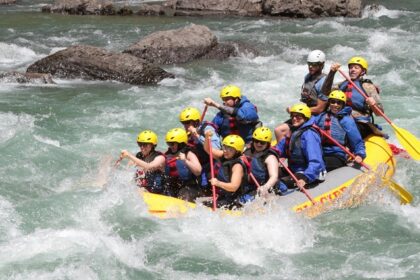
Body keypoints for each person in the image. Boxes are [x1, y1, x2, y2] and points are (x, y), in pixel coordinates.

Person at [322, 56, 386, 139]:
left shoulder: (368, 87)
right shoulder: (342, 85)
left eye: (356, 68)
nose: (352, 70)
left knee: (348, 132)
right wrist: (332, 73)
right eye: (351, 67)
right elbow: (325, 92)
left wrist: (373, 105)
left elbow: (379, 113)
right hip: (341, 118)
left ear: (363, 71)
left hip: (360, 122)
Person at [274, 50, 329, 141]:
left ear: (321, 65)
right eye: (309, 64)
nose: (310, 67)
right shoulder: (308, 77)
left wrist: (298, 112)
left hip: (317, 116)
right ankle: (284, 151)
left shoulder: (324, 82)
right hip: (307, 112)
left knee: (280, 130)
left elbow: (320, 109)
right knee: (278, 130)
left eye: (314, 65)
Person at [274, 103, 327, 193]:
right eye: (293, 116)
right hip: (295, 169)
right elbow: (279, 149)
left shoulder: (309, 135)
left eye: (298, 116)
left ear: (305, 117)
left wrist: (305, 178)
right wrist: (268, 154)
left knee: (279, 183)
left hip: (309, 172)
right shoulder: (294, 131)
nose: (294, 119)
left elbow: (315, 161)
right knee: (269, 174)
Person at [315, 90, 366, 171]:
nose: (335, 105)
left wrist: (360, 154)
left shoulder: (346, 120)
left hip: (337, 155)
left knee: (320, 164)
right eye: (333, 102)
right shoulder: (321, 116)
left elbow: (357, 141)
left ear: (343, 105)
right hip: (320, 152)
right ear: (329, 102)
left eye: (339, 103)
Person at [179, 107, 222, 194]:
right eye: (183, 123)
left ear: (195, 122)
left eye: (187, 123)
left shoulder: (208, 129)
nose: (185, 126)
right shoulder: (188, 134)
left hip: (213, 165)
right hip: (200, 167)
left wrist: (197, 135)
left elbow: (215, 148)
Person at [208, 135, 256, 209]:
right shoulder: (226, 156)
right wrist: (206, 137)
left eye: (230, 148)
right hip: (227, 196)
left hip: (237, 199)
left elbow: (234, 187)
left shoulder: (237, 166)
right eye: (224, 147)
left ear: (237, 151)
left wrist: (217, 183)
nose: (225, 150)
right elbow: (209, 150)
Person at [119, 130, 166, 194]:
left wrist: (129, 155)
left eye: (145, 145)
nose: (142, 147)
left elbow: (149, 166)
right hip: (143, 189)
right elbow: (127, 171)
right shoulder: (139, 156)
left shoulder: (160, 158)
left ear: (152, 145)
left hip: (159, 192)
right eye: (140, 144)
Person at [164, 128, 203, 201]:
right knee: (166, 193)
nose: (170, 146)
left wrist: (185, 160)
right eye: (169, 143)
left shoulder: (189, 154)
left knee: (184, 195)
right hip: (173, 186)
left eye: (172, 144)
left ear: (180, 143)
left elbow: (198, 171)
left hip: (189, 187)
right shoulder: (167, 154)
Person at [243, 127, 282, 195]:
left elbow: (274, 177)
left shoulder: (270, 157)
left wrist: (265, 187)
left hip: (262, 186)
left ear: (267, 143)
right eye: (256, 140)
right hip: (248, 185)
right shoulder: (247, 150)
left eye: (262, 142)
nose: (258, 144)